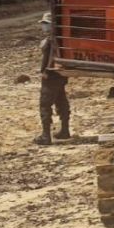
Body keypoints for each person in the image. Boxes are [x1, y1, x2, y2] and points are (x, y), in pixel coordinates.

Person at [34, 12, 70, 145]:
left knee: (45, 104)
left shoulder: (51, 40)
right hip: (60, 74)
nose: (43, 26)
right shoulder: (61, 37)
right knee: (61, 101)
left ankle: (46, 136)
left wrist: (45, 71)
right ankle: (65, 130)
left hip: (51, 75)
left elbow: (50, 58)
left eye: (46, 24)